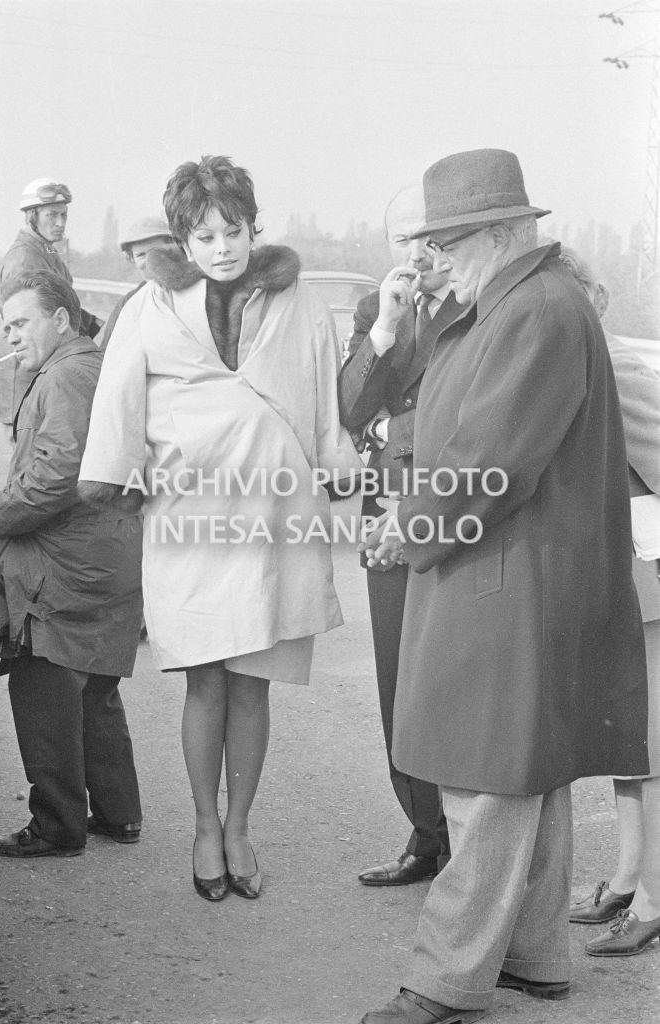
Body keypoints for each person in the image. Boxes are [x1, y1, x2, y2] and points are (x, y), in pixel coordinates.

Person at [357, 149, 648, 1024]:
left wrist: (405, 529)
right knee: (530, 771)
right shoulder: (528, 302)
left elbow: (486, 464)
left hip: (506, 580)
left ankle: (447, 979)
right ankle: (535, 955)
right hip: (521, 578)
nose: (433, 257)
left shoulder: (531, 311)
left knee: (483, 777)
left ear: (496, 233)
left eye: (445, 240)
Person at [77, 154, 361, 901]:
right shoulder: (149, 306)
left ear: (251, 226)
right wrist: (120, 476)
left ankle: (242, 828)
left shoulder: (296, 299)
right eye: (204, 235)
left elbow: (324, 391)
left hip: (272, 512)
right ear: (183, 239)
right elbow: (117, 401)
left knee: (253, 684)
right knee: (204, 680)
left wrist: (335, 460)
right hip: (190, 516)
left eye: (233, 230)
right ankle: (205, 827)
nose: (222, 246)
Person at [0, 271, 143, 857]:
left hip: (66, 565)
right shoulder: (81, 367)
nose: (12, 336)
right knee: (93, 686)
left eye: (22, 322)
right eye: (6, 326)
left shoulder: (68, 375)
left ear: (60, 319)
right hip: (102, 555)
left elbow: (57, 472)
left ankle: (56, 825)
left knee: (43, 681)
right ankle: (119, 813)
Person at [338, 184, 460, 887]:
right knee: (396, 678)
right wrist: (383, 329)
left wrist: (392, 431)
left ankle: (469, 839)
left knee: (453, 673)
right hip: (385, 512)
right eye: (404, 240)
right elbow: (350, 406)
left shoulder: (479, 305)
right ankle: (425, 834)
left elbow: (466, 411)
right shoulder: (372, 311)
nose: (418, 252)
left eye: (428, 235)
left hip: (455, 511)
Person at [558, 247, 660, 956]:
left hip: (646, 566)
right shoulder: (588, 358)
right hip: (619, 567)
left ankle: (651, 899)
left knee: (648, 741)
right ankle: (630, 878)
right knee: (629, 739)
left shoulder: (614, 364)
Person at [0, 179, 102, 428]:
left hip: (43, 366)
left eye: (64, 215)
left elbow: (62, 307)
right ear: (32, 216)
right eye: (52, 215)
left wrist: (99, 326)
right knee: (33, 457)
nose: (60, 223)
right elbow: (33, 322)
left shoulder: (46, 250)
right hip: (27, 369)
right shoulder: (24, 258)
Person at [98, 215, 176, 351]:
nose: (150, 261)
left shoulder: (197, 291)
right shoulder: (128, 303)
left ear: (174, 248)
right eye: (141, 255)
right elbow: (107, 355)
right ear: (131, 259)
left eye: (156, 251)